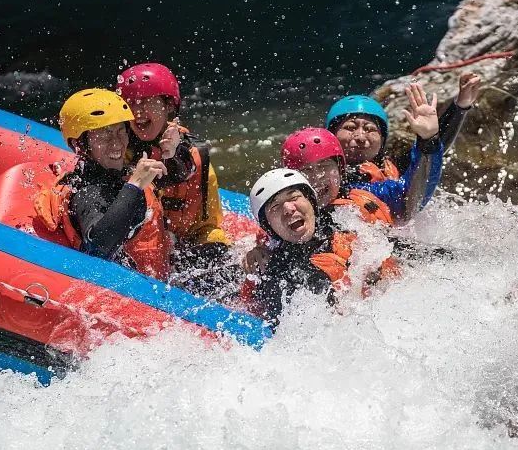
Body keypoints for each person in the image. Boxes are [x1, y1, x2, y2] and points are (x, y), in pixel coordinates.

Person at [116, 63, 236, 296]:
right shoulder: (119, 143)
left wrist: (171, 155)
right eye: (131, 103)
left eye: (147, 101)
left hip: (191, 241)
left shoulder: (189, 150)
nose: (138, 110)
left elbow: (184, 169)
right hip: (146, 241)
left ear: (169, 105)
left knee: (220, 268)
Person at [34, 89, 172, 280]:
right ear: (80, 144)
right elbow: (98, 247)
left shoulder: (118, 172)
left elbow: (178, 176)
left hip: (161, 276)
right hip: (134, 290)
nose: (117, 143)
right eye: (104, 134)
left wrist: (173, 150)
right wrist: (134, 186)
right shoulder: (86, 191)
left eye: (121, 131)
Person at [245, 169, 397, 327]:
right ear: (269, 226)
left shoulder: (348, 220)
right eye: (275, 206)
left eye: (294, 197)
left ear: (311, 202)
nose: (289, 208)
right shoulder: (278, 274)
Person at [325, 78, 480, 220]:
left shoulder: (394, 168)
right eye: (350, 127)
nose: (360, 136)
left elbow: (427, 160)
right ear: (331, 134)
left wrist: (458, 109)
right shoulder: (320, 173)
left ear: (382, 140)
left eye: (370, 129)